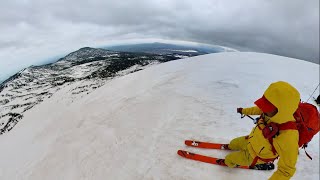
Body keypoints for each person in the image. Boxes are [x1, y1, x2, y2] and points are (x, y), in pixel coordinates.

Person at [220, 81, 301, 180]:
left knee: (229, 159)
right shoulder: (271, 112)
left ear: (282, 110)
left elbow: (285, 171)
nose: (264, 109)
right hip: (250, 140)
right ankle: (232, 149)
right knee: (233, 143)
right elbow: (258, 109)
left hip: (255, 156)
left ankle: (232, 164)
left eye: (267, 107)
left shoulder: (288, 137)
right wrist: (244, 111)